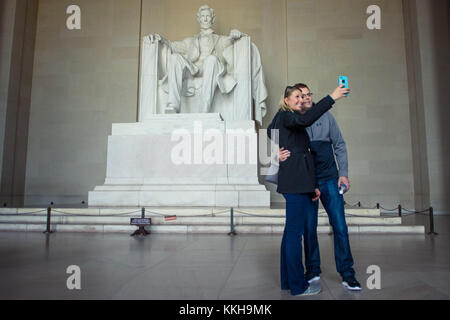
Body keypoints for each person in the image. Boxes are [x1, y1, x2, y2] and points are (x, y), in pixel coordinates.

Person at [267, 84, 349, 296]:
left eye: (303, 96)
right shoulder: (288, 116)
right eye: (296, 96)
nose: (301, 99)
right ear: (286, 100)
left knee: (290, 234)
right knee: (295, 234)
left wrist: (280, 151)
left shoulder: (285, 118)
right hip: (295, 183)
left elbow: (270, 132)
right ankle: (298, 286)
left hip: (300, 182)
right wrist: (332, 97)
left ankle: (288, 281)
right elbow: (303, 120)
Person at [148, 5, 244, 113]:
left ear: (213, 19)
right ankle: (173, 105)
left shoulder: (220, 40)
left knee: (211, 59)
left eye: (208, 16)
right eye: (203, 16)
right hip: (193, 69)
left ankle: (204, 109)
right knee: (174, 58)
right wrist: (161, 39)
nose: (205, 18)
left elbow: (232, 40)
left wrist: (237, 34)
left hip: (211, 68)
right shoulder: (190, 41)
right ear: (198, 19)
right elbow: (173, 45)